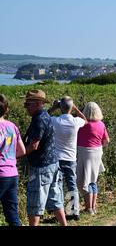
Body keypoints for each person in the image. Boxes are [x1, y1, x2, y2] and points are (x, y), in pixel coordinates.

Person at [22, 90, 67, 226]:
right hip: (53, 164)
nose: (25, 107)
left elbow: (34, 145)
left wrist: (16, 155)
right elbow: (48, 111)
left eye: (28, 104)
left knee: (35, 204)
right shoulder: (45, 115)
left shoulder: (38, 120)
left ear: (37, 104)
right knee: (56, 200)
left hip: (40, 167)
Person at [49, 96, 87, 220]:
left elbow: (43, 117)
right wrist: (74, 107)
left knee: (58, 185)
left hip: (57, 158)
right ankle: (74, 211)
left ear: (60, 108)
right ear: (71, 108)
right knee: (72, 185)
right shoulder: (75, 122)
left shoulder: (56, 121)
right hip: (71, 158)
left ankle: (59, 212)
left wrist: (54, 107)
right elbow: (85, 120)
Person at [77, 102, 109, 215]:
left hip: (85, 152)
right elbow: (106, 141)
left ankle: (88, 207)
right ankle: (93, 206)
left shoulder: (83, 124)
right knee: (93, 180)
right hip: (97, 152)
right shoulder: (101, 124)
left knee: (83, 181)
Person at [0, 94, 26, 226]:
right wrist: (8, 158)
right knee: (12, 215)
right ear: (6, 110)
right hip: (12, 174)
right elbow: (22, 151)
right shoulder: (12, 127)